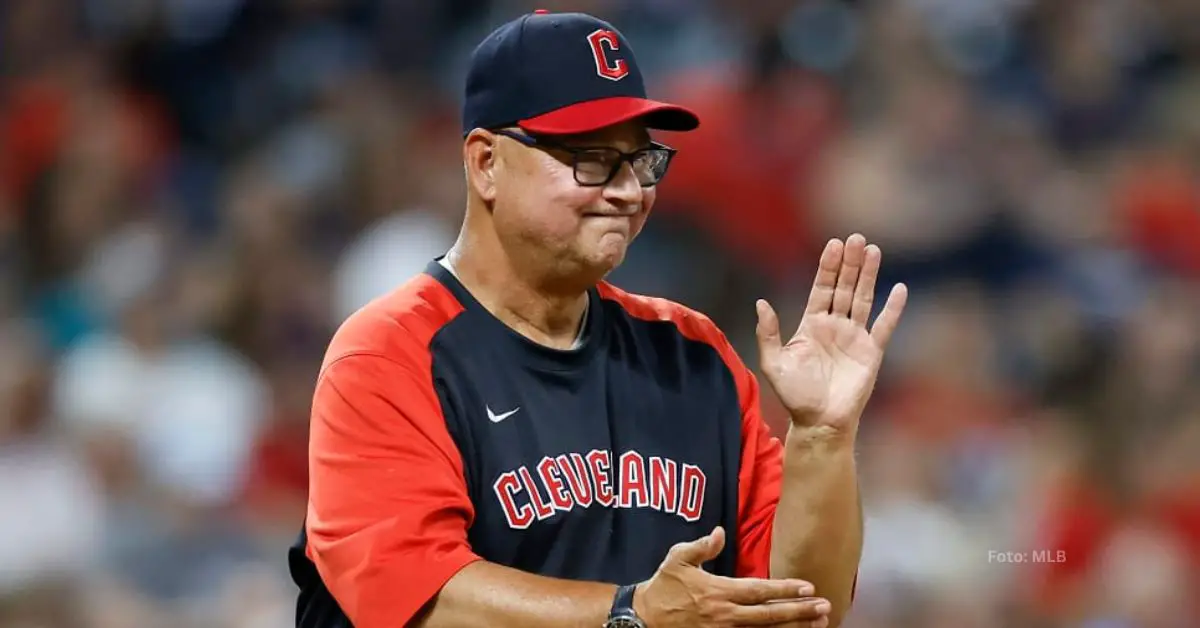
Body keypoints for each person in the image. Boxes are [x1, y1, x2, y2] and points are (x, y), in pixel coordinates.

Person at [288, 9, 907, 628]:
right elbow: (419, 600)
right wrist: (630, 615)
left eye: (640, 161)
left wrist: (822, 440)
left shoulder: (690, 353)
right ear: (486, 164)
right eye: (590, 158)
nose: (628, 191)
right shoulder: (390, 354)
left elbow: (800, 607)